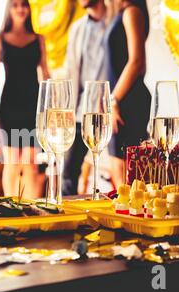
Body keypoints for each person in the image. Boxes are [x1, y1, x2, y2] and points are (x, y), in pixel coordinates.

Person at [0, 0, 50, 198]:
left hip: (33, 105)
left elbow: (46, 74)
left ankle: (29, 210)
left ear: (29, 8)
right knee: (12, 162)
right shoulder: (0, 39)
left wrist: (52, 108)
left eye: (24, 4)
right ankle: (11, 208)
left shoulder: (39, 39)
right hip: (9, 105)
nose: (20, 8)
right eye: (15, 5)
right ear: (9, 10)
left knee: (30, 163)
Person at [62, 0, 108, 195]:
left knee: (115, 172)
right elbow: (70, 73)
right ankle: (65, 221)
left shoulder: (117, 22)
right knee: (68, 175)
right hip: (81, 113)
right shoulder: (77, 29)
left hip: (109, 113)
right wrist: (67, 108)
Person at [105, 0, 151, 186]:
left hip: (127, 101)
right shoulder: (123, 12)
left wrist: (113, 99)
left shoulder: (132, 12)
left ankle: (129, 214)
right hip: (123, 100)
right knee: (120, 171)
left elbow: (137, 62)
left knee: (126, 175)